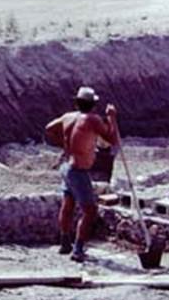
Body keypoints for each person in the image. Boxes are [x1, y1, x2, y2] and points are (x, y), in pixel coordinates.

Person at [44, 87, 119, 262]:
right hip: (78, 171)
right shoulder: (93, 119)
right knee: (90, 211)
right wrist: (112, 117)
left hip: (67, 167)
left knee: (68, 204)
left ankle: (65, 243)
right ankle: (77, 250)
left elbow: (49, 128)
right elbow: (112, 139)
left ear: (77, 102)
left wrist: (65, 144)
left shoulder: (68, 117)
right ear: (93, 104)